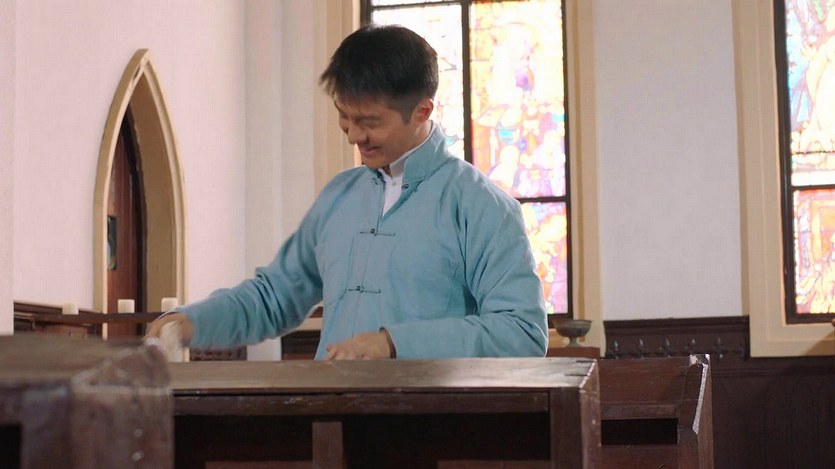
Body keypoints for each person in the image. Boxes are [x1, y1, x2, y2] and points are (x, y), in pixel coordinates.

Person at [145, 24, 548, 360]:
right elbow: (275, 297)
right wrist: (190, 322)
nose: (354, 136)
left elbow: (522, 333)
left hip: (433, 422)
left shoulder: (482, 206)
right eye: (344, 116)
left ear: (422, 111)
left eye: (369, 122)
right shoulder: (339, 196)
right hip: (330, 418)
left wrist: (393, 344)